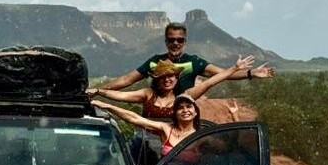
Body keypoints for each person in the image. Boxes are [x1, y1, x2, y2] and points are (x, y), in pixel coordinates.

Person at [98, 22, 274, 95]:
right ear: (166, 41)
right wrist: (99, 90)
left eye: (179, 40)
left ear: (185, 42)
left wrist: (251, 73)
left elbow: (223, 74)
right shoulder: (154, 62)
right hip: (155, 116)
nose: (175, 43)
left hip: (183, 115)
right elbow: (127, 79)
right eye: (171, 40)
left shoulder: (194, 62)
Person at [88, 56, 255, 118]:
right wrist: (98, 91)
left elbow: (211, 81)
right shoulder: (147, 94)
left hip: (174, 146)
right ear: (157, 79)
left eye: (171, 76)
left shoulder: (184, 96)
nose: (167, 80)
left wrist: (235, 68)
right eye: (163, 77)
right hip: (146, 142)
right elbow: (121, 96)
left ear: (176, 78)